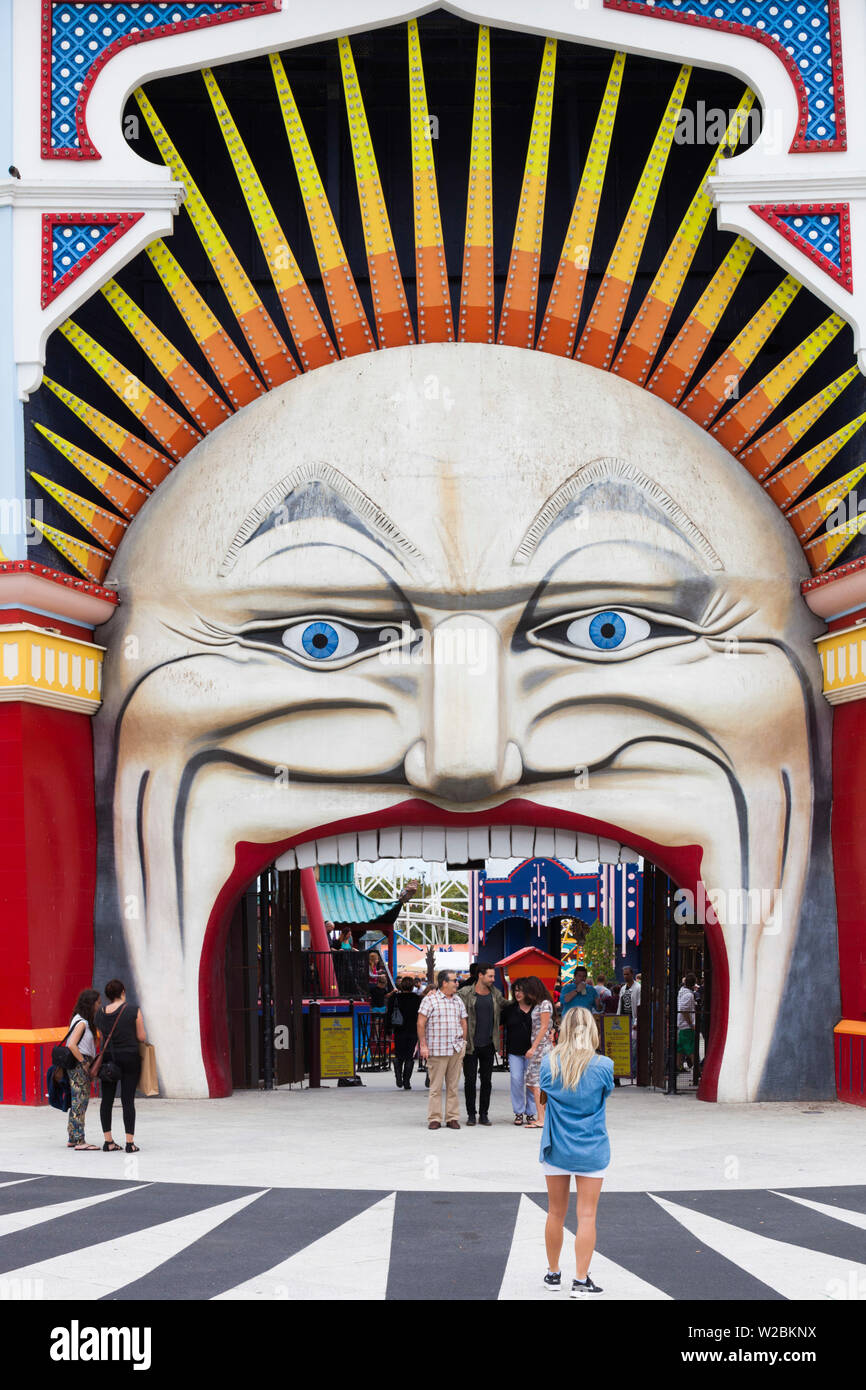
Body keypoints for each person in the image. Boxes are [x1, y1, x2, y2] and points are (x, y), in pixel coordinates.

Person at [538, 1007, 614, 1297]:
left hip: (556, 1145)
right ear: (591, 1030)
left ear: (564, 1029)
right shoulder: (604, 1065)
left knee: (555, 1213)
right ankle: (581, 1280)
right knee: (587, 1216)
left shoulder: (549, 1064)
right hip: (592, 1146)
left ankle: (553, 1273)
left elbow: (543, 1098)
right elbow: (604, 1095)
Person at [95, 980, 147, 1153]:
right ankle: (130, 1143)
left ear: (108, 995)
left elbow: (101, 1036)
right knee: (127, 1100)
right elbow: (141, 1036)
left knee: (107, 1100)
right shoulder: (133, 1010)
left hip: (109, 1058)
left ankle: (108, 1141)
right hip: (130, 1057)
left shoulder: (100, 1013)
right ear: (123, 991)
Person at [417, 969, 467, 1129]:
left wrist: (463, 1042)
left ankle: (452, 1117)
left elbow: (463, 1021)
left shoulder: (458, 1000)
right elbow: (420, 1023)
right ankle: (435, 1118)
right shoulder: (430, 1000)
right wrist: (423, 1045)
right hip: (437, 1049)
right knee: (435, 1087)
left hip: (455, 1049)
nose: (457, 983)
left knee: (453, 1086)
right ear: (444, 983)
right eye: (454, 980)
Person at [458, 964, 505, 1126]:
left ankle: (484, 1114)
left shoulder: (495, 994)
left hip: (488, 1045)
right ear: (480, 975)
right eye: (490, 976)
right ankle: (471, 1114)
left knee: (487, 1081)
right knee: (469, 1081)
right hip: (471, 1045)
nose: (493, 979)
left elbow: (506, 1005)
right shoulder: (465, 994)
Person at [65, 988, 100, 1150]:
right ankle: (80, 1140)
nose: (99, 1005)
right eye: (98, 1002)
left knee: (76, 1101)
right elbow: (72, 1044)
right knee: (80, 1101)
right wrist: (84, 1063)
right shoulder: (82, 1023)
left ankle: (73, 1136)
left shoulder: (77, 1019)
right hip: (80, 1063)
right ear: (91, 1004)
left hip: (76, 1063)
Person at [501, 978, 536, 1125]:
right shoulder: (509, 1009)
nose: (518, 993)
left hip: (533, 1051)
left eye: (521, 990)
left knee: (532, 1082)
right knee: (516, 1080)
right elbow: (498, 1024)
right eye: (516, 990)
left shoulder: (537, 1008)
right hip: (514, 1051)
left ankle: (531, 1112)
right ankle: (518, 1112)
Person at [523, 976, 554, 1130]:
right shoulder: (540, 1004)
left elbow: (544, 1026)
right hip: (539, 1046)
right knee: (532, 1081)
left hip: (541, 1048)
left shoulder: (545, 1005)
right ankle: (544, 1115)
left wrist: (534, 1047)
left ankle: (542, 1118)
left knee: (535, 1083)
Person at [387, 976, 421, 1089]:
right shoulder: (417, 999)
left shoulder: (394, 998)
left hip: (399, 1030)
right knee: (409, 1056)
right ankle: (407, 1081)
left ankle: (398, 1076)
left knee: (399, 1054)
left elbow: (388, 1015)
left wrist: (388, 1030)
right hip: (413, 1029)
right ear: (412, 986)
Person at [617, 966, 641, 1075]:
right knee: (625, 1045)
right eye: (624, 974)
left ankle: (634, 1069)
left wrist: (637, 1021)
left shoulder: (638, 988)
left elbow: (639, 1005)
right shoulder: (623, 988)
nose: (625, 976)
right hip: (624, 1020)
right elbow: (620, 1005)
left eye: (627, 974)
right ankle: (627, 1068)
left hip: (633, 1019)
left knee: (634, 1046)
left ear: (632, 974)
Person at [677, 972, 698, 1073]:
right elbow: (684, 1011)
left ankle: (679, 1066)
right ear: (693, 984)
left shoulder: (681, 991)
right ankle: (697, 1069)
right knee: (690, 1049)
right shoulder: (689, 995)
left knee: (680, 1049)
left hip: (681, 1025)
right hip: (686, 1026)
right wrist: (691, 1024)